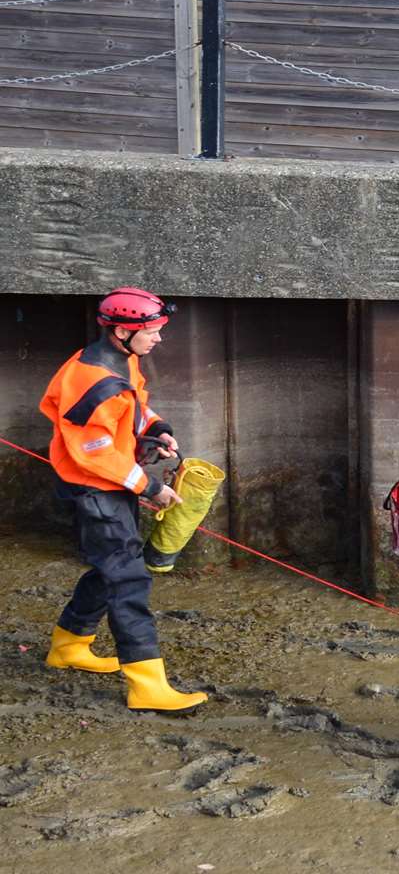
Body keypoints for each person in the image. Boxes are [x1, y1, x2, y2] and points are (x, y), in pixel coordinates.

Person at [40, 287, 206, 712]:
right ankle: (147, 683)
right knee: (130, 579)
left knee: (111, 565)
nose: (158, 338)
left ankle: (68, 645)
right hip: (95, 488)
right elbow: (94, 453)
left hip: (111, 486)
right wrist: (150, 487)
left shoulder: (121, 360)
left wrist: (158, 427)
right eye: (150, 331)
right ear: (120, 331)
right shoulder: (92, 382)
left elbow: (134, 407)